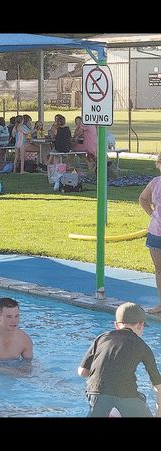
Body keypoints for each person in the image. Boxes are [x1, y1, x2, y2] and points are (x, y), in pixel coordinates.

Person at [78, 302, 161, 417]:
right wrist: (159, 411)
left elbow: (82, 372)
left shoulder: (102, 338)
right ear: (141, 325)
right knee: (141, 399)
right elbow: (157, 383)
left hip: (96, 393)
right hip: (126, 395)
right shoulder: (142, 346)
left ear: (116, 325)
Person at [140, 156, 161, 315]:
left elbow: (143, 199)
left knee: (160, 270)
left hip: (156, 232)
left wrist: (152, 214)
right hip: (156, 232)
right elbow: (143, 198)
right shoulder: (155, 182)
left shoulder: (155, 182)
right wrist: (152, 214)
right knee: (159, 270)